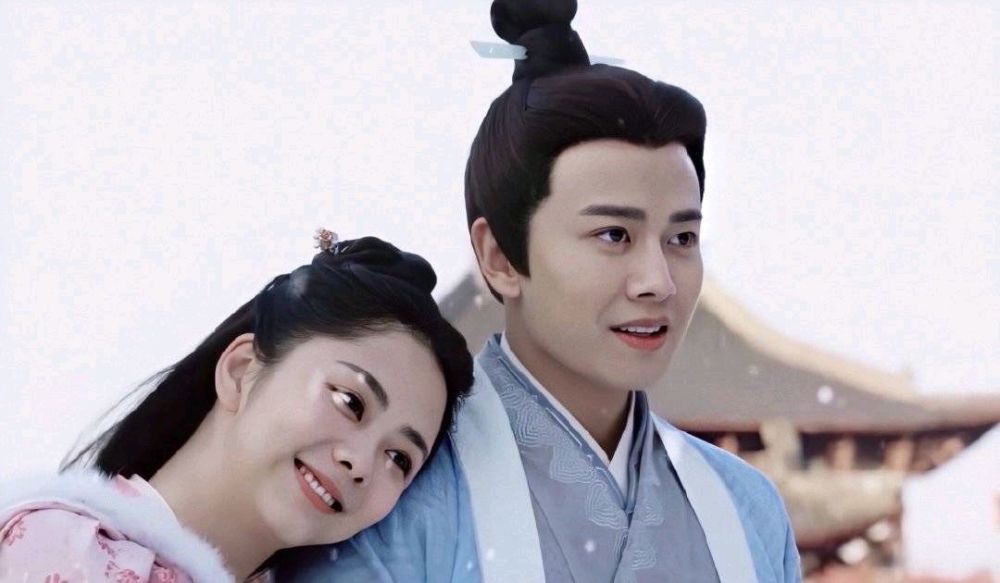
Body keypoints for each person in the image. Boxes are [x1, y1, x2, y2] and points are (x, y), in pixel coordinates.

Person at [279, 1, 802, 581]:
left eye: (682, 238)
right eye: (614, 234)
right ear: (499, 256)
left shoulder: (748, 509)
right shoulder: (390, 499)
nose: (658, 281)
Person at [0, 232, 474, 582]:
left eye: (399, 459)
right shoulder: (60, 553)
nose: (361, 463)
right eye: (351, 401)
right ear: (242, 369)